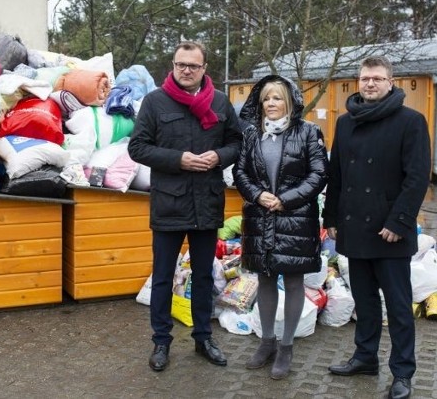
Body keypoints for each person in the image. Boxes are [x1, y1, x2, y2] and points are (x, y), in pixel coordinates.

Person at [128, 41, 242, 372]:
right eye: (180, 65)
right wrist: (179, 160)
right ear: (173, 66)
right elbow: (138, 147)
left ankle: (203, 337)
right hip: (169, 203)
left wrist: (219, 156)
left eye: (193, 65)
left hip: (207, 203)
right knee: (163, 276)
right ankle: (161, 341)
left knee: (204, 275)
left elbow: (236, 142)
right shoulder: (154, 102)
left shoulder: (220, 102)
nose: (186, 71)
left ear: (205, 68)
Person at [323, 56, 431, 399]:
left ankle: (403, 373)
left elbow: (417, 178)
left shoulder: (411, 121)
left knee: (398, 306)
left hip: (389, 231)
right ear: (359, 81)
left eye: (377, 78)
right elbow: (336, 174)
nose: (370, 83)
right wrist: (332, 218)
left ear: (391, 82)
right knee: (365, 301)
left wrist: (399, 222)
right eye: (365, 78)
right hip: (355, 226)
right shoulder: (345, 122)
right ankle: (365, 358)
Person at [232, 75, 328, 379]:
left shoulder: (309, 132)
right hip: (260, 218)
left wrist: (285, 200)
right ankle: (267, 342)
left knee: (295, 280)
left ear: (289, 101)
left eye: (277, 98)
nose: (271, 104)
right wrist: (258, 195)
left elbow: (318, 174)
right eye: (266, 99)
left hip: (295, 218)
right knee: (266, 279)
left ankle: (286, 346)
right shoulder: (251, 134)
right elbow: (240, 171)